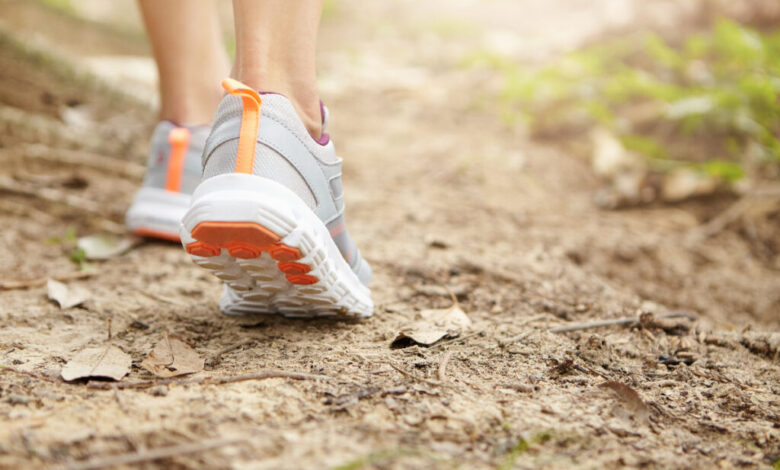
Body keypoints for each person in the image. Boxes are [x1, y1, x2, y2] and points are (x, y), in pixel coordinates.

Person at [125, 0, 373, 318]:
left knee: (198, 103)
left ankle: (191, 123)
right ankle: (281, 105)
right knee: (270, 81)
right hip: (275, 148)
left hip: (218, 150)